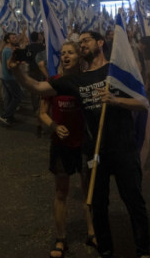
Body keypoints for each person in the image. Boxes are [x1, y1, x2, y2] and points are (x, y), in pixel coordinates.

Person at [13, 31, 150, 258]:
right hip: (96, 152)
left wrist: (116, 100)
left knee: (133, 201)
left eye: (86, 40)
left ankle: (143, 251)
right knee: (98, 205)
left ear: (100, 43)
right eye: (80, 42)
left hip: (123, 149)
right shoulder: (78, 80)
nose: (82, 44)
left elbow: (143, 103)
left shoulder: (116, 72)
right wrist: (16, 71)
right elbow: (38, 88)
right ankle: (105, 250)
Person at [39, 42, 96, 258]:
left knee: (87, 191)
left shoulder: (86, 81)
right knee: (61, 192)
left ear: (79, 56)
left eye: (70, 52)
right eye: (62, 53)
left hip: (84, 144)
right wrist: (54, 126)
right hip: (61, 146)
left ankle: (92, 233)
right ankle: (61, 238)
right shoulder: (53, 83)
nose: (65, 56)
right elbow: (42, 113)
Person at [0, 32, 23, 125]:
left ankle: (10, 117)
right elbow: (9, 66)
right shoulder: (8, 51)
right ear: (8, 40)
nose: (15, 39)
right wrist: (18, 63)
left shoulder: (8, 50)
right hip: (9, 78)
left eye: (15, 37)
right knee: (18, 96)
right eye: (13, 38)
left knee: (10, 98)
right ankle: (5, 115)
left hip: (7, 77)